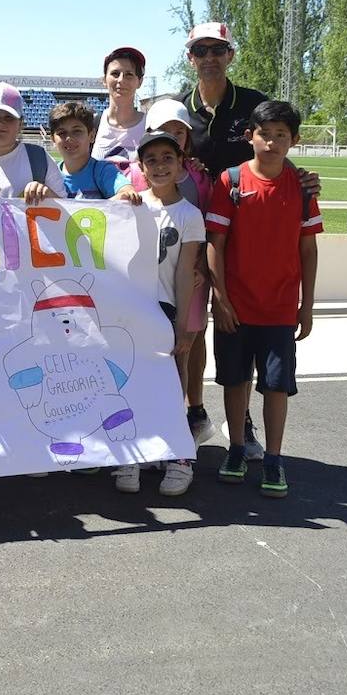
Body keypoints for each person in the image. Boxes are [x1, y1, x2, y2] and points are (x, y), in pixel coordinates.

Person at [183, 22, 321, 458]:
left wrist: (299, 179)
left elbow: (274, 145)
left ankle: (240, 426)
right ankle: (194, 413)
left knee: (236, 332)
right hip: (190, 232)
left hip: (238, 232)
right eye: (201, 50)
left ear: (230, 55)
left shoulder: (252, 103)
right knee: (191, 328)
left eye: (217, 49)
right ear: (190, 57)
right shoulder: (180, 108)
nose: (209, 57)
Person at [206, 100, 321, 498]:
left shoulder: (302, 188)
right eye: (264, 134)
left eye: (281, 135)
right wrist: (220, 298)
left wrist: (307, 305)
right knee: (235, 381)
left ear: (294, 140)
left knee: (276, 386)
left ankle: (274, 458)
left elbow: (308, 249)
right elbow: (215, 243)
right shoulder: (231, 181)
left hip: (280, 309)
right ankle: (236, 449)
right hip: (235, 307)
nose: (271, 142)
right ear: (249, 136)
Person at [112, 130, 205, 497]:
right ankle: (133, 452)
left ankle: (179, 456)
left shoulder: (189, 215)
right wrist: (118, 199)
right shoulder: (128, 205)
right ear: (141, 167)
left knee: (172, 380)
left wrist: (182, 324)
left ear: (181, 163)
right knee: (130, 381)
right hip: (131, 307)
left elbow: (185, 272)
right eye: (151, 159)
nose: (160, 166)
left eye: (168, 158)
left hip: (165, 307)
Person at [126, 97, 217, 445]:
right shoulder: (132, 186)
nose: (161, 163)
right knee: (141, 364)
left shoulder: (200, 180)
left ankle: (179, 431)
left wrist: (201, 269)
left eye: (179, 133)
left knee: (182, 353)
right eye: (164, 131)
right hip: (144, 296)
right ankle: (142, 437)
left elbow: (204, 229)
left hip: (185, 283)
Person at [47, 101, 139, 201]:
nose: (69, 138)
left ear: (91, 136)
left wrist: (125, 194)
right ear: (53, 139)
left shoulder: (102, 170)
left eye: (77, 131)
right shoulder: (50, 174)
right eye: (62, 133)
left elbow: (126, 192)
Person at [92, 47, 148, 161]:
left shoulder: (150, 127)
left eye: (129, 74)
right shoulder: (92, 125)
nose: (121, 80)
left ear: (140, 82)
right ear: (104, 80)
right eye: (115, 74)